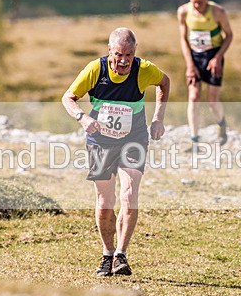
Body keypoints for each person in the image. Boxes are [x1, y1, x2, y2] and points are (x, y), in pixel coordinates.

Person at [62, 27, 170, 277]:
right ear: (109, 50)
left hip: (134, 138)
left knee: (129, 194)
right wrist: (82, 117)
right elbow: (68, 97)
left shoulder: (144, 70)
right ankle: (107, 253)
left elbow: (164, 82)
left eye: (129, 55)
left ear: (135, 53)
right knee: (104, 202)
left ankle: (121, 254)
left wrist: (158, 119)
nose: (123, 61)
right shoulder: (95, 69)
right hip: (100, 140)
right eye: (119, 54)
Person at [177, 0, 233, 149]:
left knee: (211, 100)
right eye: (193, 1)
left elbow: (229, 35)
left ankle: (221, 123)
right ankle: (194, 140)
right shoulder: (183, 11)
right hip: (194, 55)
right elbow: (183, 38)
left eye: (200, 2)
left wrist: (218, 58)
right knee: (193, 96)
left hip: (213, 54)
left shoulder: (218, 12)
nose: (196, 5)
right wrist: (189, 65)